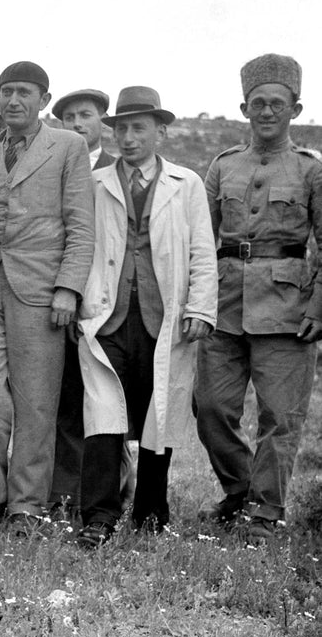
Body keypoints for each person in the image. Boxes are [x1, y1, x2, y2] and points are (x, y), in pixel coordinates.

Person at [74, 86, 217, 548]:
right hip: (106, 315)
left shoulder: (186, 183)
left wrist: (199, 308)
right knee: (103, 414)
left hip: (164, 317)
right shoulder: (93, 183)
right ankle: (99, 515)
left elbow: (201, 251)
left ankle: (151, 513)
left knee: (161, 415)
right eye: (121, 129)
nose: (128, 138)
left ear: (160, 130)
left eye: (139, 128)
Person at [0, 61, 95, 535]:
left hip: (41, 292)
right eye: (6, 91)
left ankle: (26, 505)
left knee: (36, 401)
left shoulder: (69, 147)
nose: (13, 100)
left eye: (24, 92)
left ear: (43, 99)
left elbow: (81, 227)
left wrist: (67, 288)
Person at [196, 54, 322, 543]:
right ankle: (241, 488)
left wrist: (318, 306)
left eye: (278, 104)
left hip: (289, 311)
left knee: (280, 417)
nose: (267, 112)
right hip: (223, 306)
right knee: (210, 408)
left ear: (296, 108)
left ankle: (266, 512)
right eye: (258, 104)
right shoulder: (223, 165)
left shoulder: (311, 170)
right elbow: (200, 239)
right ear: (244, 107)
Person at [47, 88, 117, 515]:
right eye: (68, 116)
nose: (76, 123)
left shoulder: (117, 169)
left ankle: (111, 489)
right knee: (68, 398)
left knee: (109, 402)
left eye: (85, 115)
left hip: (107, 300)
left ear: (101, 120)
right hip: (64, 292)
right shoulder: (55, 166)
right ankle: (65, 492)